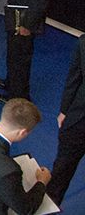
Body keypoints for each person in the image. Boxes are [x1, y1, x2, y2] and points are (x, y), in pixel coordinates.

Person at [48, 34, 85, 204]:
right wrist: (64, 110)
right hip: (78, 119)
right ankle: (50, 205)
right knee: (62, 170)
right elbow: (74, 78)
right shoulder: (83, 42)